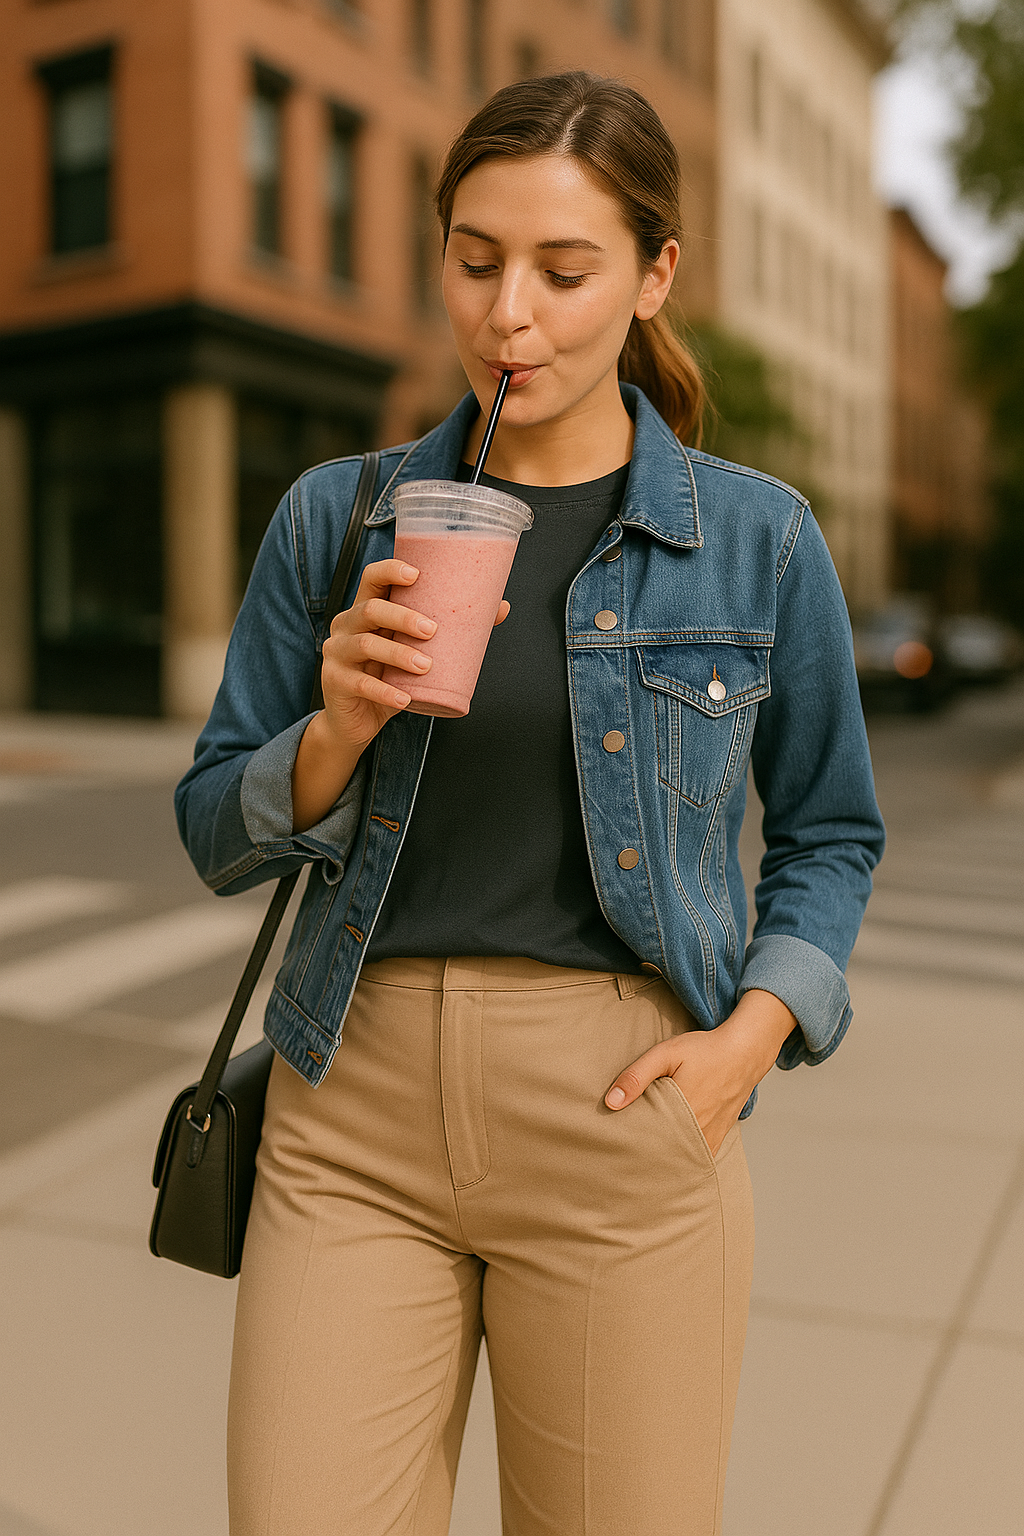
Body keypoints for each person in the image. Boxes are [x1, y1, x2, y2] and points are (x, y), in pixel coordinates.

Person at [175, 71, 885, 1536]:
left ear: (652, 273)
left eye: (565, 271)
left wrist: (747, 1044)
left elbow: (830, 834)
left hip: (623, 1118)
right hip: (349, 1103)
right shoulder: (339, 514)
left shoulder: (758, 542)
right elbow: (210, 825)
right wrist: (339, 725)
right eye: (476, 259)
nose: (512, 313)